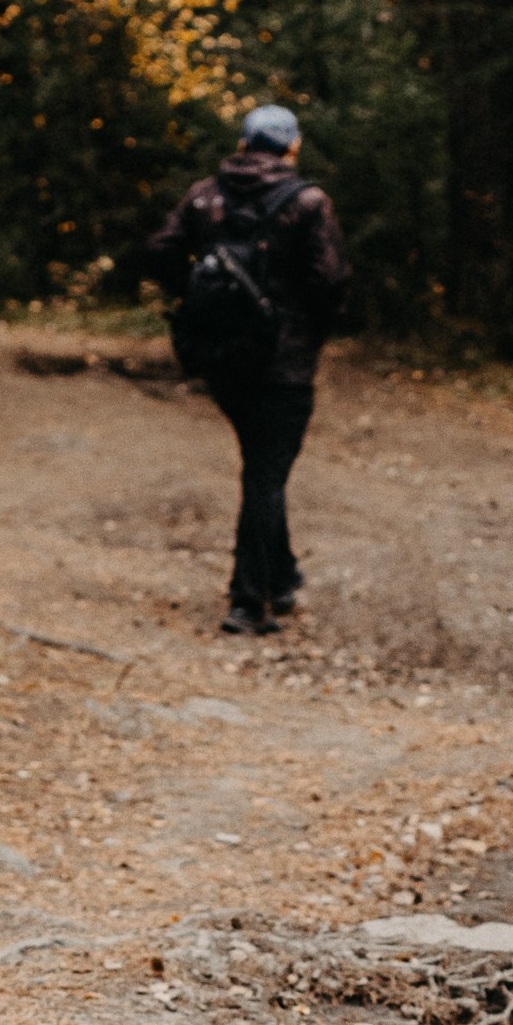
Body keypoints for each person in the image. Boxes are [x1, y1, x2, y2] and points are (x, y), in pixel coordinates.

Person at [144, 104, 349, 636]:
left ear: (242, 144)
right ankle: (248, 601)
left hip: (221, 357)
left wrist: (195, 301)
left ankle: (281, 576)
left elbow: (161, 250)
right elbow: (329, 280)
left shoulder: (204, 195)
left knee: (261, 468)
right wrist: (306, 327)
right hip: (284, 363)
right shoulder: (308, 202)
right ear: (292, 148)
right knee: (265, 475)